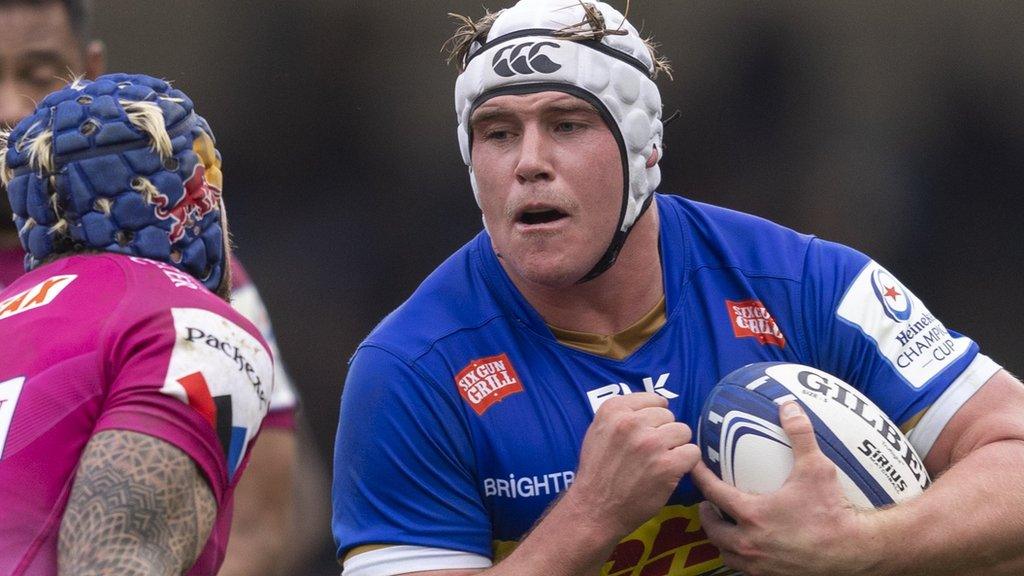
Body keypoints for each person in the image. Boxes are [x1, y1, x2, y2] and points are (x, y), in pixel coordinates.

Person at [331, 1, 1024, 575]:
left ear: (645, 148)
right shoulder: (408, 372)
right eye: (498, 133)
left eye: (567, 125)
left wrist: (857, 546)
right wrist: (588, 517)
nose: (529, 163)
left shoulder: (802, 282)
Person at [0, 2, 328, 573]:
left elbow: (263, 521)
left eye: (37, 73)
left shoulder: (184, 285)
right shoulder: (183, 309)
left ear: (89, 69)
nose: (6, 106)